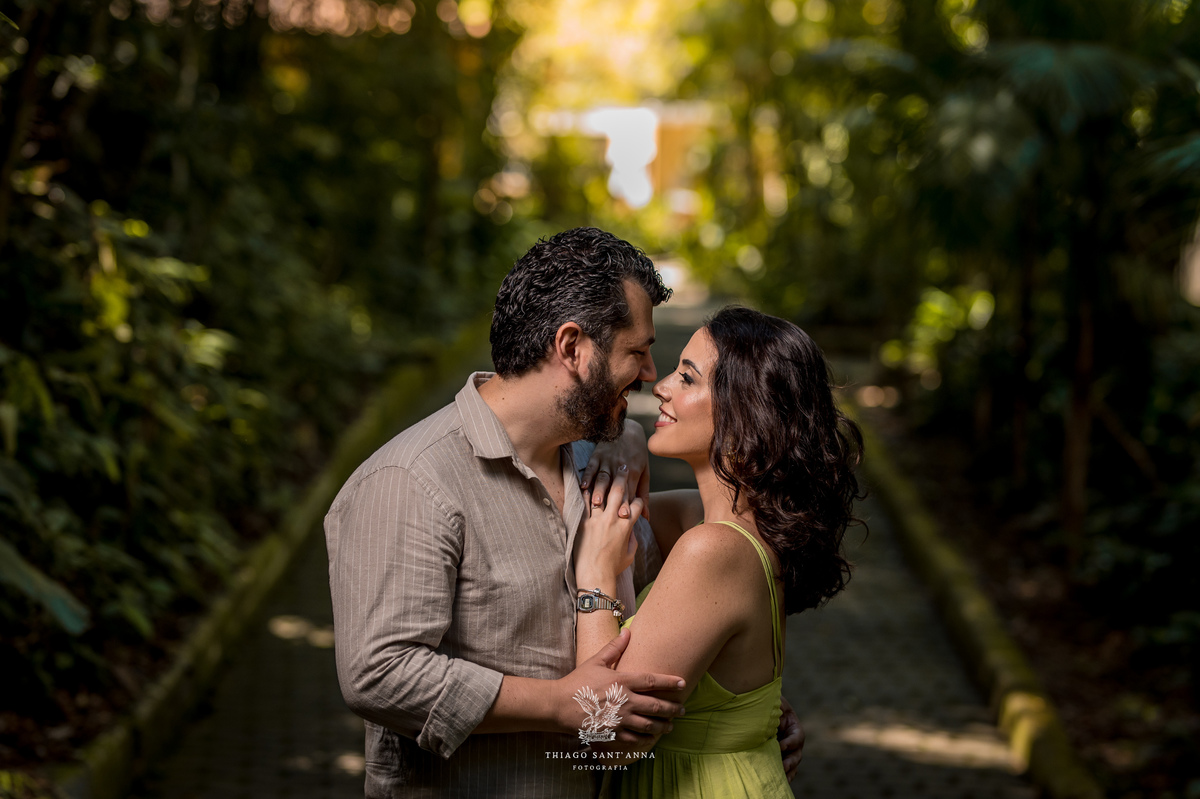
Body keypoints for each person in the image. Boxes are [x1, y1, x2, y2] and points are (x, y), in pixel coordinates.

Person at [325, 228, 803, 797]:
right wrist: (558, 704)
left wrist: (742, 714)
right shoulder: (411, 481)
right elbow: (378, 671)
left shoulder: (593, 467)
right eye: (637, 352)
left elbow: (686, 613)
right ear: (572, 347)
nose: (651, 374)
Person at [572, 306, 864, 798]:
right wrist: (628, 433)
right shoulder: (734, 524)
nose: (661, 386)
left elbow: (604, 734)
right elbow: (614, 508)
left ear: (746, 411)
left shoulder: (712, 548)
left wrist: (596, 577)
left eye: (687, 377)